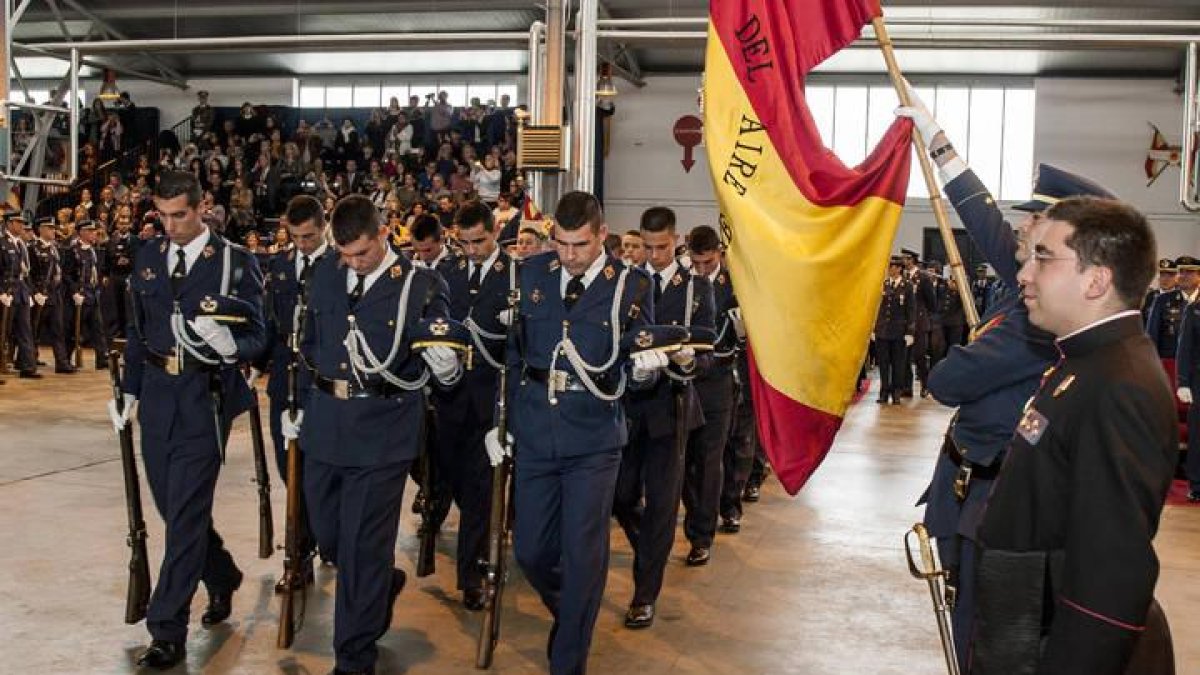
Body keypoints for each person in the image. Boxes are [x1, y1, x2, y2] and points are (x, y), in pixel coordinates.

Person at [898, 87, 1118, 671]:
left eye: (1037, 221)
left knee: (980, 633)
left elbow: (947, 382)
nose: (1022, 227)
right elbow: (985, 219)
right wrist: (938, 144)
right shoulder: (1033, 275)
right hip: (969, 482)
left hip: (990, 496)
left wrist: (969, 351)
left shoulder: (1040, 317)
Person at [973, 197, 1176, 675]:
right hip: (1023, 622)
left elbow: (1108, 577)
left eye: (1043, 258)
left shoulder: (1118, 386)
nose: (1025, 274)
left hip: (1051, 642)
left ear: (1096, 280)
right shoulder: (1086, 363)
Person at [282, 194, 461, 675]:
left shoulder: (420, 285)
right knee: (328, 537)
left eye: (362, 252)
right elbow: (310, 344)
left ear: (384, 234)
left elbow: (443, 350)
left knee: (361, 547)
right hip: (325, 424)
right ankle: (379, 585)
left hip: (383, 429)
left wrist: (447, 368)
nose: (354, 263)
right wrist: (297, 404)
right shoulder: (323, 273)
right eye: (345, 254)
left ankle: (353, 657)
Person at [487, 190, 660, 674]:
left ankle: (568, 660)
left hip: (594, 436)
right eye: (561, 243)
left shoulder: (630, 285)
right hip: (535, 429)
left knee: (583, 554)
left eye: (580, 244)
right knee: (531, 551)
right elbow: (515, 352)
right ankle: (573, 614)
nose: (568, 255)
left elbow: (638, 356)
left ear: (602, 234)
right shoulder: (532, 274)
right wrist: (503, 421)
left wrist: (646, 372)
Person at [110, 170, 266, 669]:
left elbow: (260, 336)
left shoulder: (235, 262)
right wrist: (129, 389)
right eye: (163, 215)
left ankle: (166, 628)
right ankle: (220, 573)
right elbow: (137, 329)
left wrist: (231, 348)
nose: (171, 225)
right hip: (157, 396)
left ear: (203, 208)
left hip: (205, 397)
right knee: (172, 509)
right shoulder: (148, 256)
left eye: (180, 215)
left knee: (184, 518)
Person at [613, 206, 714, 627]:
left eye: (662, 247)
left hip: (670, 408)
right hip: (628, 406)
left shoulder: (695, 289)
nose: (653, 256)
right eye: (648, 247)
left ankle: (644, 593)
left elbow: (707, 352)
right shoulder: (625, 283)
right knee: (619, 497)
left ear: (676, 241)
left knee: (661, 504)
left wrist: (689, 362)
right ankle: (650, 550)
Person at [429, 200, 514, 609]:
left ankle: (473, 575)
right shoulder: (447, 272)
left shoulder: (516, 275)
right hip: (450, 395)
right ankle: (484, 537)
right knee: (453, 478)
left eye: (479, 241)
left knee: (480, 487)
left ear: (495, 231)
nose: (472, 250)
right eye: (464, 243)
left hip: (491, 395)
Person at [251, 195, 332, 588]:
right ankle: (304, 548)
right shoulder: (281, 265)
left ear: (324, 226)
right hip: (285, 375)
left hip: (322, 378)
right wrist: (255, 362)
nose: (302, 244)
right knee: (288, 467)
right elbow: (270, 320)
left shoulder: (339, 264)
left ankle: (315, 542)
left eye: (309, 237)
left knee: (319, 470)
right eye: (295, 237)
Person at [680, 225, 736, 566]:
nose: (701, 270)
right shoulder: (681, 283)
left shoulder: (735, 286)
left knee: (709, 460)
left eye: (708, 262)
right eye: (696, 262)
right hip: (684, 381)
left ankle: (701, 535)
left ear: (719, 254)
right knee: (683, 462)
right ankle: (695, 516)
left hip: (717, 381)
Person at [29, 217, 75, 373]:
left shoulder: (56, 249)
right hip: (40, 294)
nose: (53, 231)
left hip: (54, 294)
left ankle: (61, 363)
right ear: (41, 229)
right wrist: (35, 292)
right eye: (49, 228)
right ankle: (29, 359)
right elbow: (29, 274)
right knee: (34, 329)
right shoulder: (33, 248)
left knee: (58, 329)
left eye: (54, 228)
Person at [63, 220, 110, 369]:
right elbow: (66, 274)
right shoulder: (73, 251)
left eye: (94, 231)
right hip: (80, 295)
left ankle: (102, 358)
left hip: (92, 294)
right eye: (90, 231)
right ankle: (65, 359)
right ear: (81, 232)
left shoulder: (92, 250)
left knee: (98, 328)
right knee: (73, 329)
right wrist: (74, 292)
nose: (93, 234)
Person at [0, 212, 39, 377]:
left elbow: (25, 272)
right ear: (9, 224)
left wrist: (29, 292)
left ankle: (27, 366)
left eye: (22, 222)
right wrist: (1, 292)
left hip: (21, 291)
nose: (22, 225)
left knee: (25, 330)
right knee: (3, 330)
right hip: (7, 292)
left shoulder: (21, 244)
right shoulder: (2, 243)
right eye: (18, 222)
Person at [873, 257, 912, 405]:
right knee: (883, 364)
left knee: (898, 363)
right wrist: (874, 328)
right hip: (883, 331)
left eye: (894, 267)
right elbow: (877, 308)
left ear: (900, 269)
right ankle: (884, 391)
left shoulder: (907, 286)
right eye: (890, 267)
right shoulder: (884, 285)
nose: (891, 269)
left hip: (899, 331)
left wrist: (910, 332)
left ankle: (896, 392)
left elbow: (911, 310)